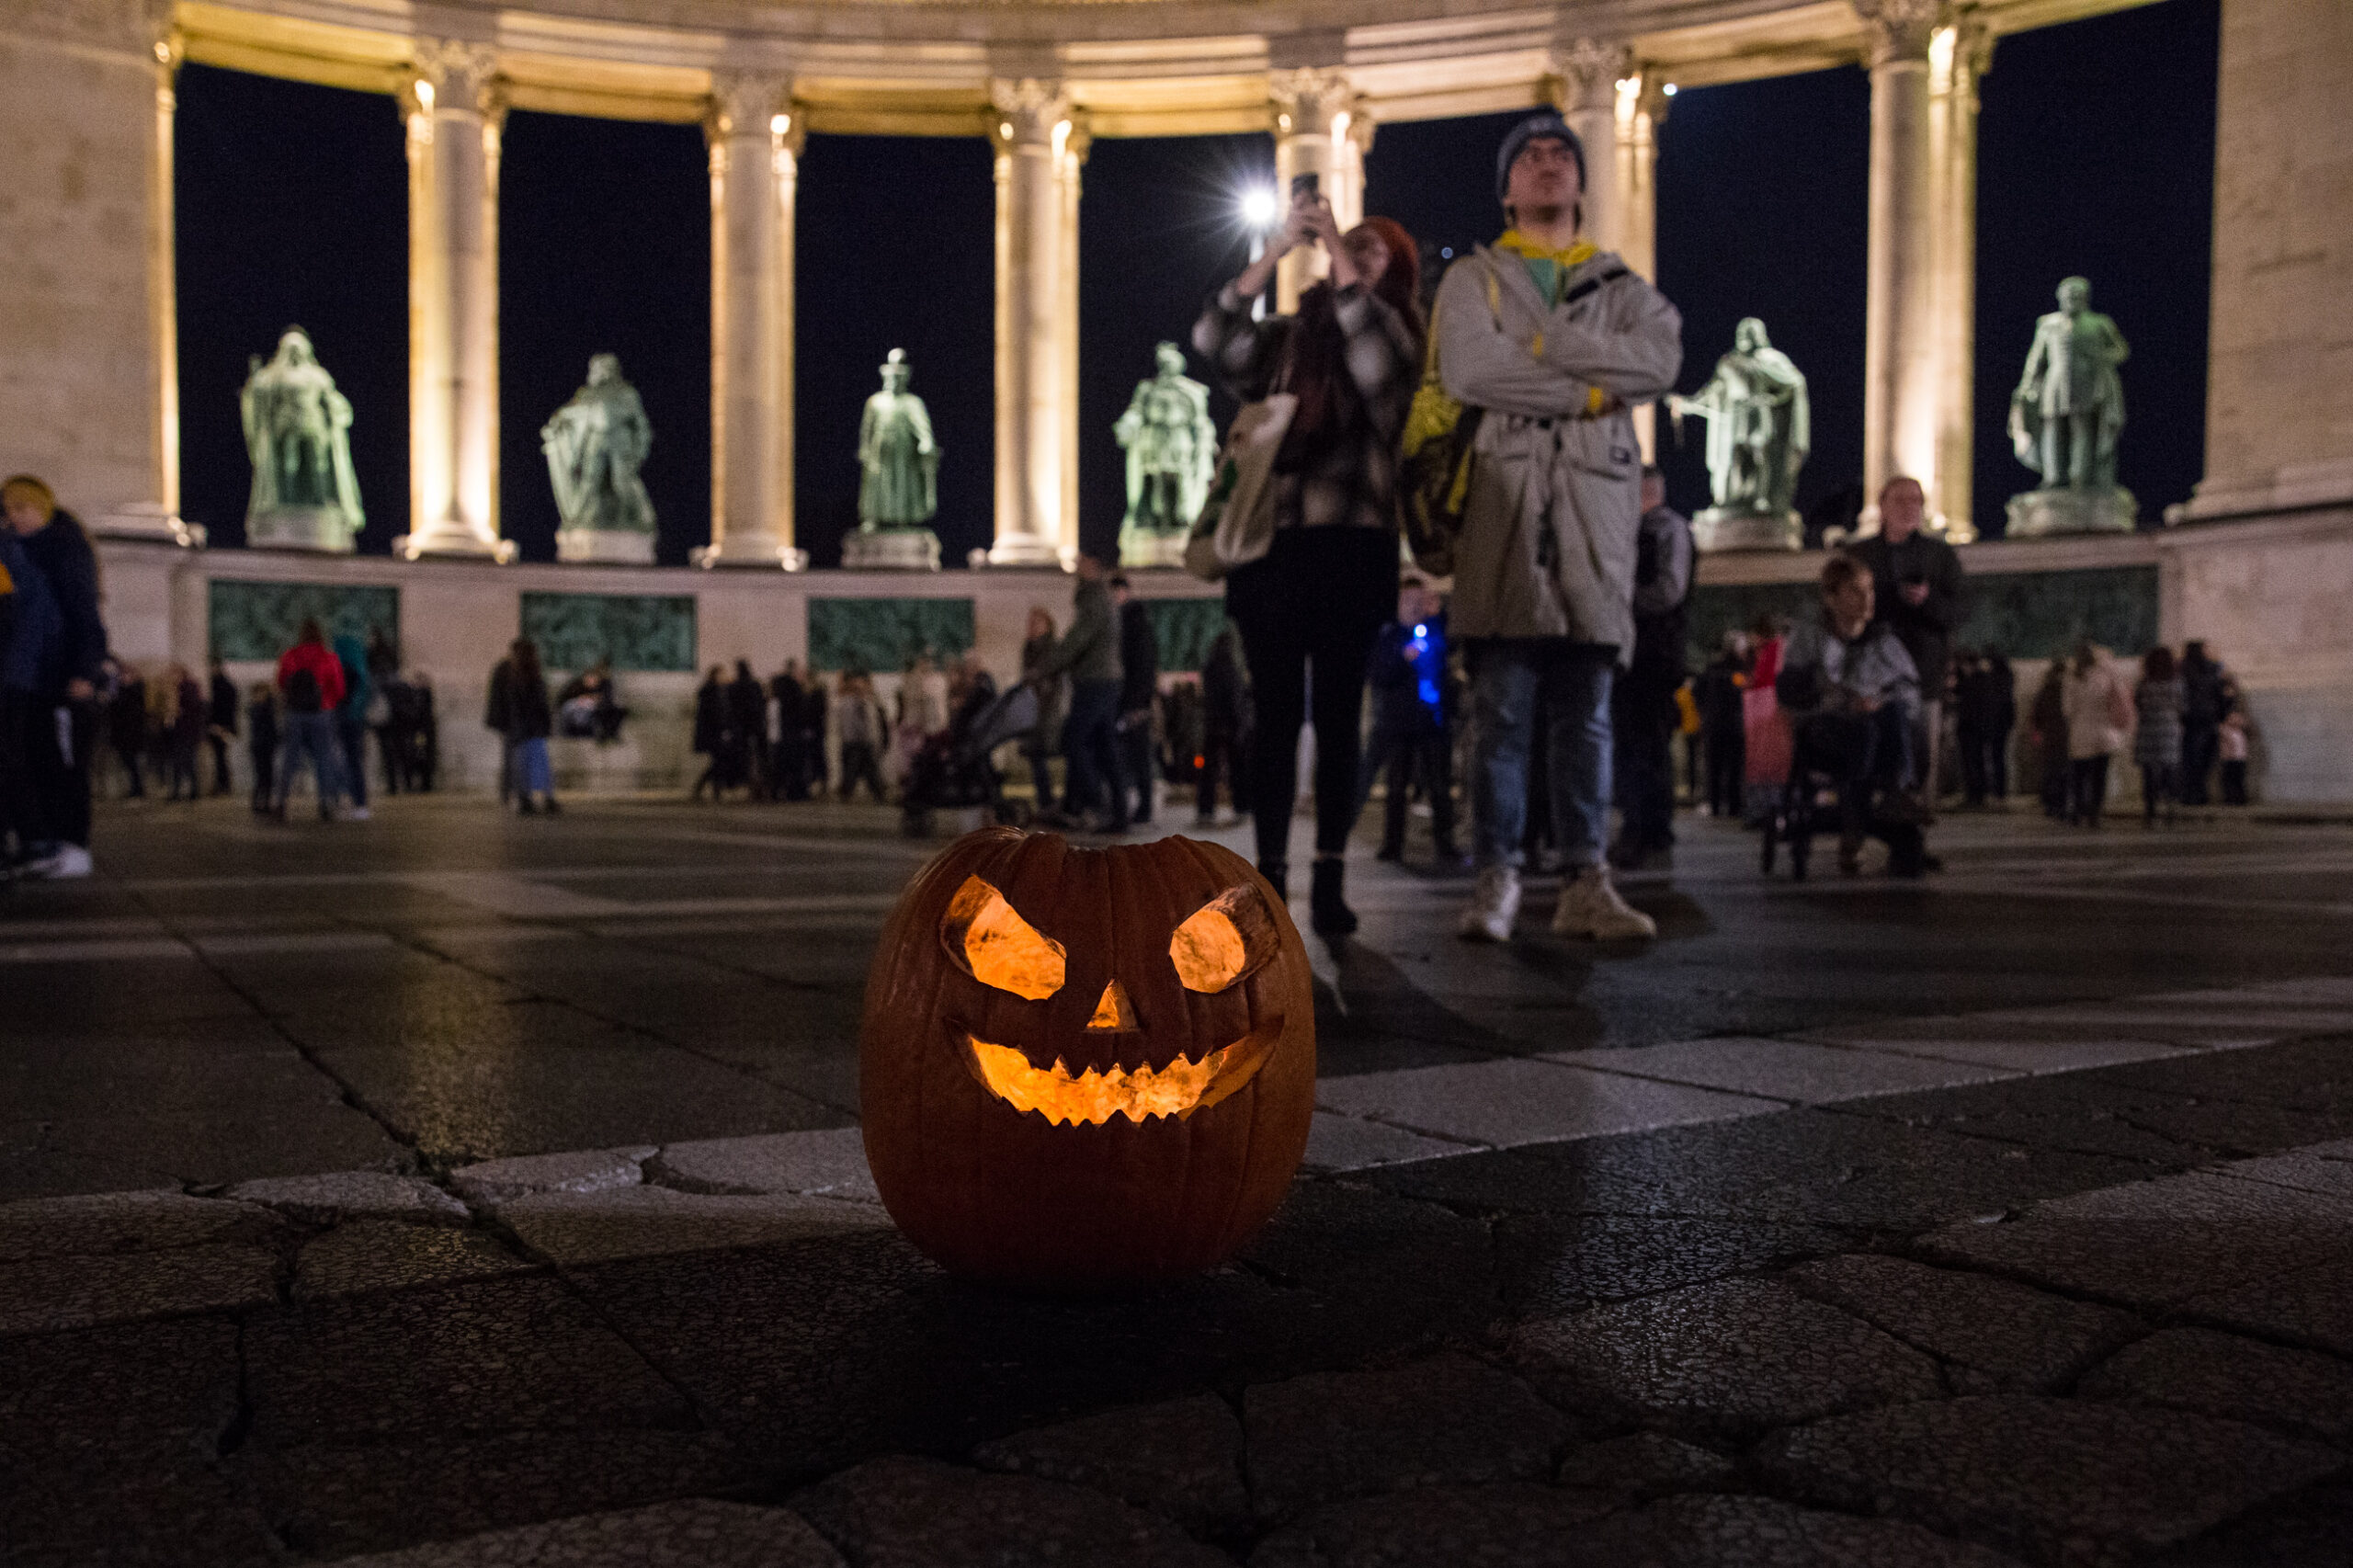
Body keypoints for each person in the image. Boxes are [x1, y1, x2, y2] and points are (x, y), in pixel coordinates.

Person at [1430, 113, 1683, 941]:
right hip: (1505, 512)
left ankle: (1586, 880)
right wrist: (1587, 389)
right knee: (1500, 710)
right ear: (1507, 188)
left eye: (1561, 156)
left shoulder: (1624, 287)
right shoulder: (1473, 279)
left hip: (1595, 515)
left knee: (1589, 710)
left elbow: (1659, 363)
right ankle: (1495, 879)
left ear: (1580, 182)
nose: (1547, 166)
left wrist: (1535, 344)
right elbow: (1470, 369)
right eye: (1530, 158)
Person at [1193, 184, 1424, 934]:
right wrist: (1275, 250)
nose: (1349, 249)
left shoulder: (1399, 330)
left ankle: (1328, 873)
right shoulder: (1292, 336)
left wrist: (1334, 251)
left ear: (1394, 271)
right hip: (1274, 549)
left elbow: (1380, 369)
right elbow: (1214, 339)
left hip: (1352, 548)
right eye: (1344, 242)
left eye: (1369, 247)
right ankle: (1268, 875)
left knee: (1336, 717)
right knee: (1274, 717)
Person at [1774, 554, 1926, 876]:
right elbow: (1792, 691)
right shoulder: (1809, 637)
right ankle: (1855, 826)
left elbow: (1909, 690)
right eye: (1855, 591)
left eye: (1869, 590)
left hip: (1878, 728)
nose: (1867, 599)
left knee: (1894, 714)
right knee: (1864, 732)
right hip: (1827, 732)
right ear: (1831, 597)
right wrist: (1843, 701)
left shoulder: (1882, 640)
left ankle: (1897, 796)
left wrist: (1879, 701)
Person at [2, 477, 105, 878]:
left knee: (62, 762)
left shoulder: (62, 549)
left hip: (59, 674)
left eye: (21, 509)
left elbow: (84, 614)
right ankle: (49, 844)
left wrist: (85, 670)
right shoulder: (26, 550)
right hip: (36, 676)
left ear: (41, 508)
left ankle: (72, 845)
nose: (14, 517)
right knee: (37, 758)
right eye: (9, 510)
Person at [1847, 475, 1961, 807]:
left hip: (1922, 672)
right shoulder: (1860, 554)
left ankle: (1915, 839)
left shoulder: (1939, 556)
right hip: (1871, 674)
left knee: (1922, 757)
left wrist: (1925, 600)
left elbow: (1957, 610)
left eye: (1916, 500)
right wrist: (1890, 598)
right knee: (1873, 754)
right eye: (1900, 500)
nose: (1909, 507)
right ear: (1882, 506)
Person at [1610, 465, 1694, 870]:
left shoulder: (1665, 530)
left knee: (1644, 744)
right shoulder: (1654, 530)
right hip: (1644, 653)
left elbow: (1668, 591)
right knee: (1639, 744)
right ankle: (1647, 827)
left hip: (1651, 655)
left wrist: (1619, 598)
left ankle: (1646, 829)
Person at [1358, 576, 1457, 865]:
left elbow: (1451, 647)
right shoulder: (1388, 635)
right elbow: (1377, 673)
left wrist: (1437, 615)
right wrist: (1402, 658)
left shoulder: (1435, 627)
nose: (1415, 607)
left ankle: (1445, 843)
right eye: (1409, 601)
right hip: (1399, 722)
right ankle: (1393, 844)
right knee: (1397, 787)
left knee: (1440, 785)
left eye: (1419, 601)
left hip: (1432, 720)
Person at [1028, 555, 1126, 835]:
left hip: (1095, 681)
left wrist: (1045, 668)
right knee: (1105, 746)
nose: (1076, 568)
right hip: (1105, 680)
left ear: (1093, 566)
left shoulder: (1094, 599)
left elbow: (1077, 640)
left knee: (1073, 739)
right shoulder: (1100, 598)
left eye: (1082, 563)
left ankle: (1097, 804)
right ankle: (1106, 810)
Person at [274, 618, 347, 820]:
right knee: (324, 758)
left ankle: (281, 802)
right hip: (321, 712)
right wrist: (327, 701)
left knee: (290, 759)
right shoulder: (329, 658)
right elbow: (340, 689)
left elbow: (281, 682)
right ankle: (325, 803)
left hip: (295, 713)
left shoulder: (291, 656)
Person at [2060, 641, 2132, 828]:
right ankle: (2095, 813)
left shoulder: (2072, 678)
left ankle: (2077, 810)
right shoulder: (2106, 675)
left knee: (2079, 775)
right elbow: (2119, 696)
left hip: (2080, 732)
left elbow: (2067, 709)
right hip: (2104, 733)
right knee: (2099, 776)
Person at [1110, 575, 1161, 826]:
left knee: (1139, 754)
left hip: (1134, 701)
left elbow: (1142, 666)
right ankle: (1141, 807)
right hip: (1131, 699)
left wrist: (1138, 702)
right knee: (1133, 755)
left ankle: (1144, 807)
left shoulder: (1134, 623)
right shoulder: (1131, 621)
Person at [488, 637, 557, 814]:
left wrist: (501, 724)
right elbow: (540, 703)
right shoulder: (526, 672)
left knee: (519, 763)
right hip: (528, 727)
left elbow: (500, 702)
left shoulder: (509, 671)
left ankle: (524, 797)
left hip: (518, 727)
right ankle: (542, 798)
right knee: (536, 763)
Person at [1196, 621, 1251, 827]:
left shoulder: (1209, 665)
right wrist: (1240, 723)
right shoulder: (1232, 666)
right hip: (1230, 725)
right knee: (1237, 768)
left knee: (1208, 770)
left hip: (1212, 724)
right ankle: (1242, 807)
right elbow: (1235, 699)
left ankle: (1205, 810)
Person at [1694, 631, 1749, 820]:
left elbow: (1698, 691)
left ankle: (1719, 804)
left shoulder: (1714, 668)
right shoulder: (1739, 668)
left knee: (1718, 766)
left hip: (1718, 723)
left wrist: (1704, 711)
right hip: (1729, 723)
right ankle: (1730, 805)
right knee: (1730, 766)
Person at [1017, 608, 1064, 811]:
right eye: (1030, 622)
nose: (1032, 626)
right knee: (1036, 755)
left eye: (1036, 622)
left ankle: (1049, 801)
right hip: (1033, 709)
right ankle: (1045, 800)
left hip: (1048, 709)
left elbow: (1049, 680)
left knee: (1044, 752)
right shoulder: (1029, 648)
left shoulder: (1051, 648)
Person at [2133, 645, 2184, 828]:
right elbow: (2183, 705)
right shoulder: (2177, 683)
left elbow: (2138, 703)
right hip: (2169, 730)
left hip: (2148, 729)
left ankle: (2150, 811)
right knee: (2169, 770)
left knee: (2149, 772)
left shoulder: (2144, 683)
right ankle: (2171, 807)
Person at [2177, 641, 2229, 806]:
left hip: (2190, 719)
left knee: (2190, 758)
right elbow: (2220, 693)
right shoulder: (2212, 669)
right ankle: (2199, 792)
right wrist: (2221, 715)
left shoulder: (2181, 669)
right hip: (2207, 718)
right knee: (2205, 758)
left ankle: (2190, 793)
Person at [331, 629, 374, 820]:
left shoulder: (339, 664)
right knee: (353, 760)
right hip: (354, 718)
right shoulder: (360, 669)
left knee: (340, 760)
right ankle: (359, 803)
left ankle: (344, 801)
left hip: (340, 715)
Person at [834, 672, 889, 803]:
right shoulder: (850, 702)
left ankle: (877, 793)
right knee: (855, 770)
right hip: (856, 741)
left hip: (859, 741)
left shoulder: (864, 702)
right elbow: (853, 723)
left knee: (867, 771)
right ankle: (852, 793)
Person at [2030, 660, 2070, 819]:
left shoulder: (2045, 691)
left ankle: (2050, 804)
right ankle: (2060, 804)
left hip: (2049, 736)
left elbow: (2037, 715)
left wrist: (2039, 731)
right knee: (2063, 772)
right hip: (2065, 736)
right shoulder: (2067, 690)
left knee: (2050, 771)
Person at [107, 660, 148, 800]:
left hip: (133, 734)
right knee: (128, 762)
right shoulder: (119, 691)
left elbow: (135, 712)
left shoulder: (136, 690)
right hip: (122, 734)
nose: (123, 677)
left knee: (134, 763)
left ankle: (138, 788)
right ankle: (134, 788)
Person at [165, 665, 206, 802]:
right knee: (177, 763)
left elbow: (194, 708)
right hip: (179, 733)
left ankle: (193, 790)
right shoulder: (175, 689)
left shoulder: (189, 688)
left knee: (188, 762)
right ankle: (177, 790)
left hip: (188, 732)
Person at [690, 666, 733, 801]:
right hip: (715, 734)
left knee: (717, 763)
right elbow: (717, 715)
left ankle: (707, 789)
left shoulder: (710, 691)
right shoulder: (713, 692)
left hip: (712, 734)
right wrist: (724, 730)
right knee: (718, 763)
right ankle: (712, 791)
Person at [728, 659, 767, 797]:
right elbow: (760, 705)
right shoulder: (754, 685)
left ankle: (752, 786)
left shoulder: (734, 686)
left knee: (747, 759)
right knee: (757, 759)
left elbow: (732, 709)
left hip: (742, 729)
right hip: (756, 728)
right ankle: (758, 787)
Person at [206, 657, 239, 796]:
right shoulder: (220, 685)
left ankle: (223, 785)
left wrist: (221, 726)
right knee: (220, 757)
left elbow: (226, 708)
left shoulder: (222, 686)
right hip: (220, 725)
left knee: (221, 757)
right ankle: (222, 784)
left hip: (221, 726)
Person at [244, 681, 279, 814]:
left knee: (267, 777)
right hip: (261, 747)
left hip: (265, 746)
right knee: (262, 777)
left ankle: (264, 803)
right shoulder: (259, 709)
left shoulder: (261, 709)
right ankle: (259, 803)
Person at [2218, 704, 2250, 805]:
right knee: (2228, 781)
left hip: (2240, 759)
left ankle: (2240, 798)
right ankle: (2229, 798)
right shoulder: (2226, 730)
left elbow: (2246, 725)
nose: (2235, 720)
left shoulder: (2241, 732)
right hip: (2228, 760)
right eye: (2232, 717)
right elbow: (2220, 730)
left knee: (2239, 780)